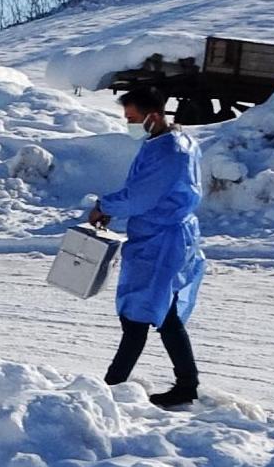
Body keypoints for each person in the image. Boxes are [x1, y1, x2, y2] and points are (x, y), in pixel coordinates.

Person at [87, 83, 206, 408]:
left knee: (138, 315)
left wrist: (105, 206)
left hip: (161, 241)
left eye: (132, 118)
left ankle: (111, 388)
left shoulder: (170, 151)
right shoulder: (169, 142)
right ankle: (186, 384)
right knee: (162, 314)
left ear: (152, 116)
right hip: (158, 236)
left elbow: (141, 196)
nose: (129, 124)